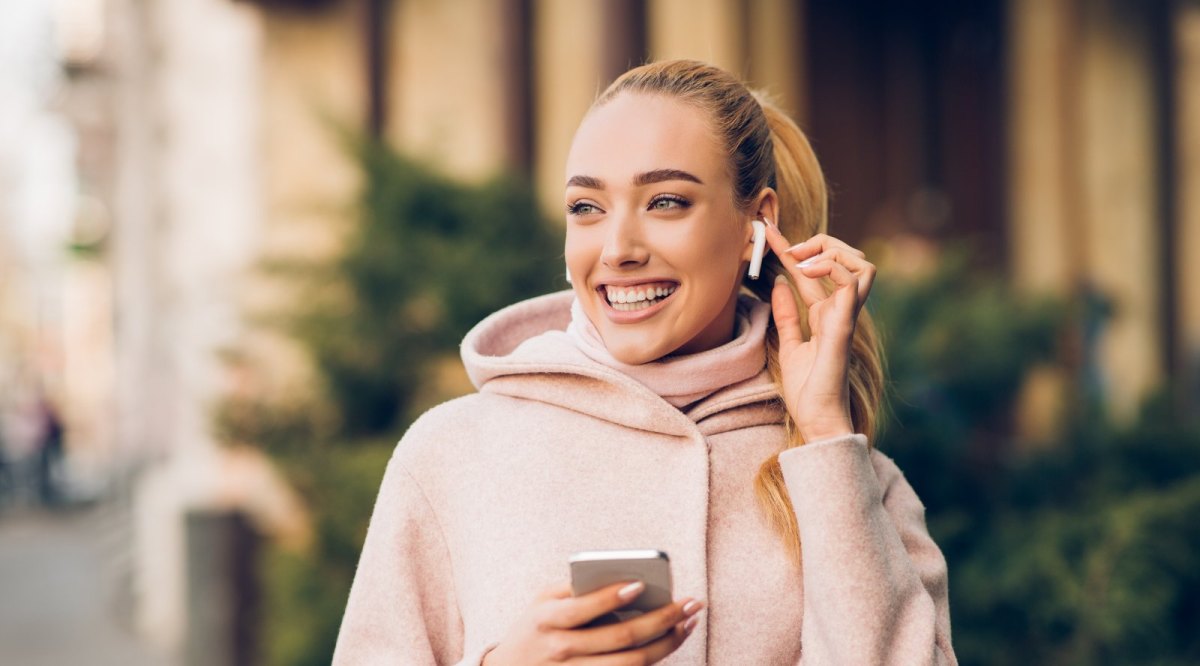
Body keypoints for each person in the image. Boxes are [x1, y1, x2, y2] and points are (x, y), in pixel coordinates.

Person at [334, 59, 956, 665]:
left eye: (665, 202)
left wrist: (824, 432)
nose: (619, 249)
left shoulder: (858, 482)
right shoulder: (451, 455)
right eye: (586, 207)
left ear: (756, 223)